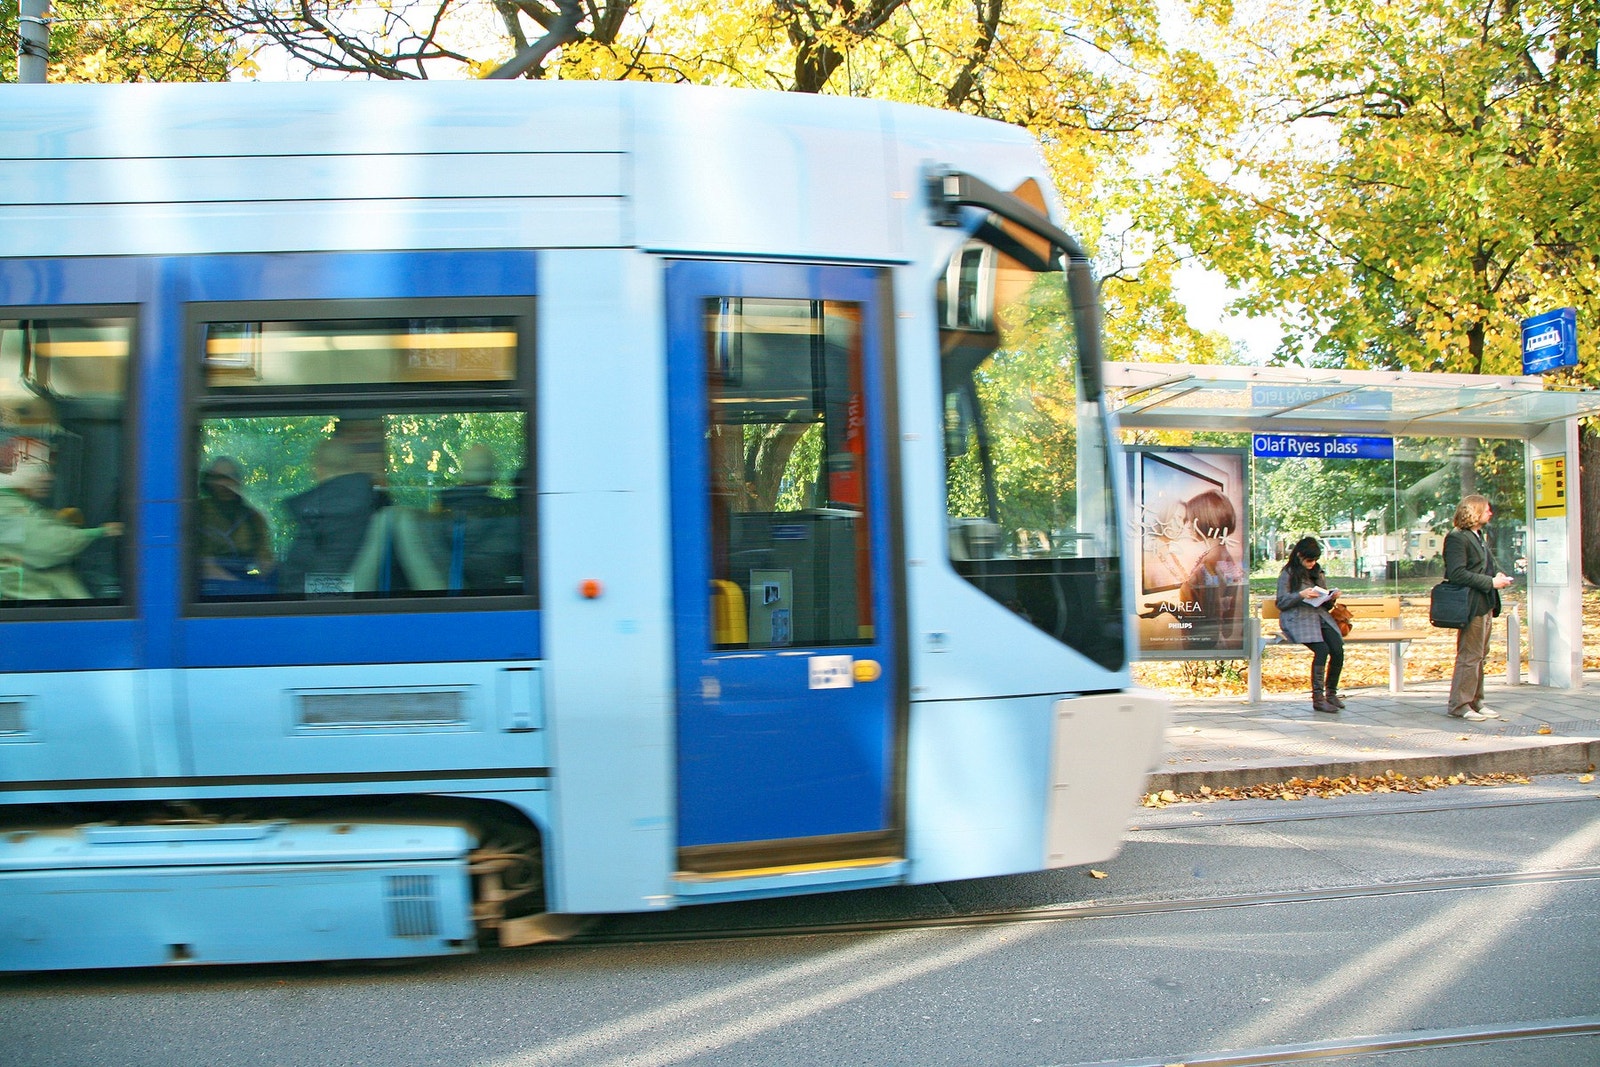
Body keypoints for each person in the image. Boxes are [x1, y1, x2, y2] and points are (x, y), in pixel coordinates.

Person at [0, 449, 124, 601]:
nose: (48, 477)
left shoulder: (18, 504)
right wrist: (100, 532)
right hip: (35, 604)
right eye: (39, 469)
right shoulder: (5, 508)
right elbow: (47, 545)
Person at [280, 438, 387, 596]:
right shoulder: (377, 503)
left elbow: (296, 574)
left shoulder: (313, 512)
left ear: (318, 468)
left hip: (322, 601)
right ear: (353, 465)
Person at [1443, 494, 1513, 721]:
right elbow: (1456, 573)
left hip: (1485, 603)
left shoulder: (1478, 536)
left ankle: (1475, 700)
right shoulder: (1457, 538)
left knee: (1480, 655)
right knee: (1470, 655)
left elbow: (1479, 568)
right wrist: (1491, 582)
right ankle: (1460, 704)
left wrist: (1495, 577)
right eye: (1486, 509)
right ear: (1474, 512)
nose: (1490, 513)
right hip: (1470, 604)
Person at [437, 444, 521, 592]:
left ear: (464, 469)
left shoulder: (443, 505)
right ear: (492, 474)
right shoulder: (505, 512)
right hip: (495, 590)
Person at [1275, 535, 1344, 713]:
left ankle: (1331, 693)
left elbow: (1326, 606)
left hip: (1319, 616)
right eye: (1309, 560)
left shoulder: (1318, 572)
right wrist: (1300, 595)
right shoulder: (1288, 573)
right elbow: (1281, 602)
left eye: (1315, 560)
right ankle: (1318, 698)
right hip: (1297, 618)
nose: (1312, 563)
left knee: (1337, 649)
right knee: (1322, 650)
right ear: (1299, 555)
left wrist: (1330, 597)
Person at [1177, 489, 1246, 651]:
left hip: (1203, 645)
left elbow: (1206, 617)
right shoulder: (1224, 556)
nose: (1186, 526)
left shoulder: (1210, 563)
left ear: (1204, 520)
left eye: (1190, 519)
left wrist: (1166, 608)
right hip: (1216, 642)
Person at [195, 456, 275, 595]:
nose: (225, 483)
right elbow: (203, 565)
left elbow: (265, 558)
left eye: (231, 477)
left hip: (246, 582)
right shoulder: (197, 514)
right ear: (208, 482)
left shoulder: (253, 517)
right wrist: (239, 587)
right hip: (209, 589)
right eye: (219, 478)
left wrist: (265, 577)